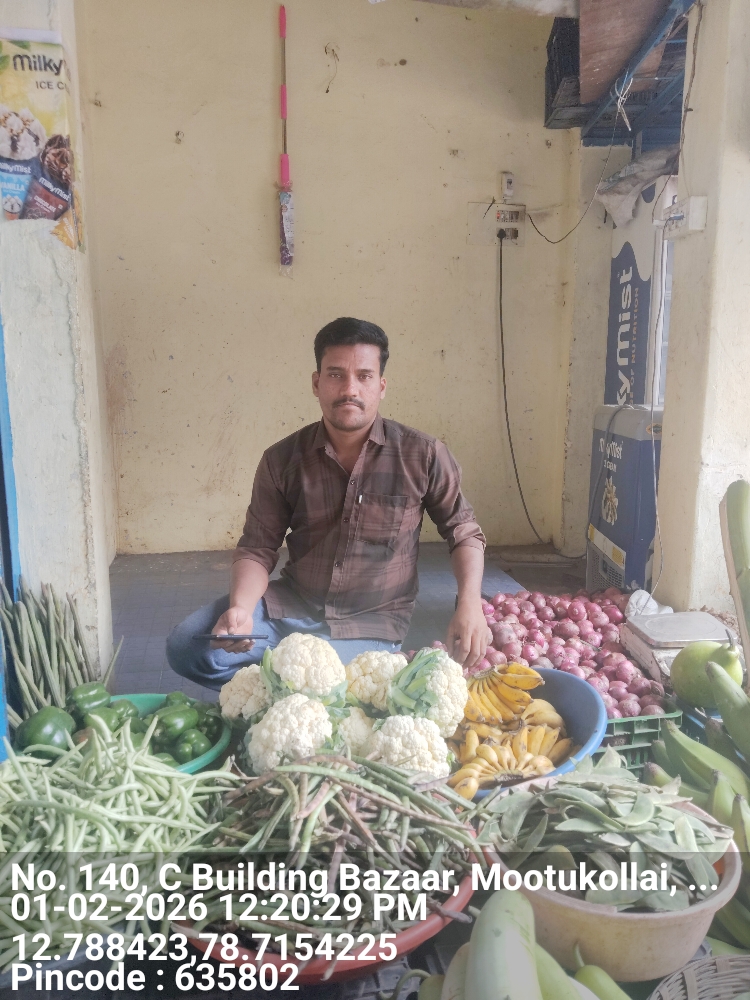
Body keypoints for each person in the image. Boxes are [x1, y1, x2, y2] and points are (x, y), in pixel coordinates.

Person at [167, 317, 490, 689]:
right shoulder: (282, 459)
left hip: (371, 621)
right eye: (336, 375)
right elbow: (257, 547)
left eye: (364, 376)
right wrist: (241, 608)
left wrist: (470, 603)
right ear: (316, 383)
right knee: (188, 646)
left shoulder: (423, 454)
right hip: (291, 607)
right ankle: (275, 691)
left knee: (318, 687)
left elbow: (464, 532)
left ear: (381, 386)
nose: (350, 389)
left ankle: (278, 691)